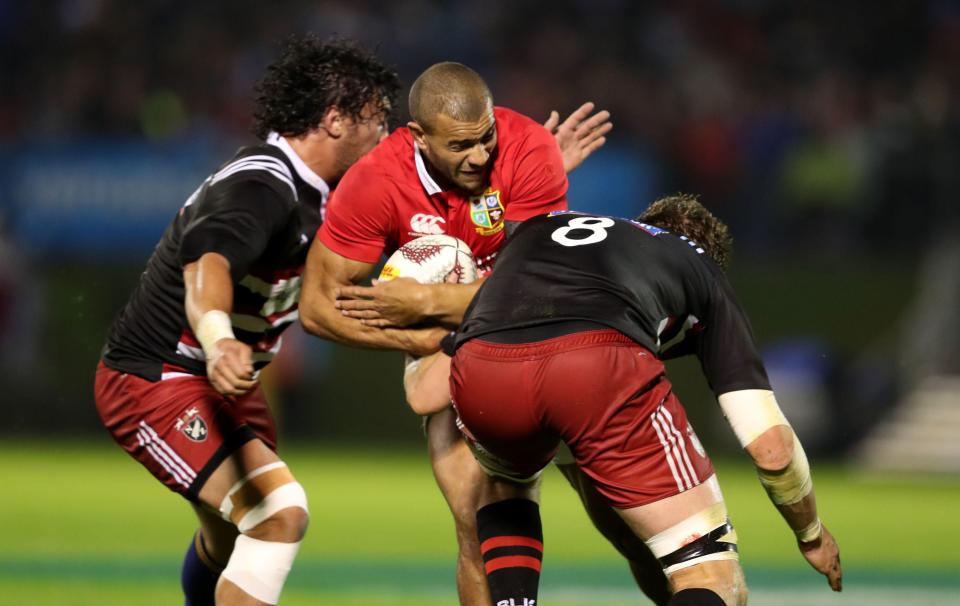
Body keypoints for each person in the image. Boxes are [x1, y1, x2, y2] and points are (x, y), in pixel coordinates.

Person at [298, 61, 648, 606]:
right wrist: (414, 341)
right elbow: (318, 308)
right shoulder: (375, 182)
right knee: (477, 525)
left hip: (544, 339)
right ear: (416, 136)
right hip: (447, 347)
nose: (481, 155)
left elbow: (531, 290)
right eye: (461, 145)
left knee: (625, 523)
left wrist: (429, 302)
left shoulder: (528, 148)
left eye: (486, 138)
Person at [92, 35, 426, 606]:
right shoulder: (261, 185)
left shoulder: (324, 195)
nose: (384, 135)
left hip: (224, 384)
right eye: (376, 119)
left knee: (228, 540)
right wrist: (219, 339)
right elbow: (208, 263)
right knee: (278, 513)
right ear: (336, 119)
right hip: (159, 378)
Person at [435, 195, 843, 605]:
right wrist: (810, 534)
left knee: (507, 482)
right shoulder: (698, 268)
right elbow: (770, 446)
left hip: (480, 368)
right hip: (595, 365)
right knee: (711, 571)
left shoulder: (542, 226)